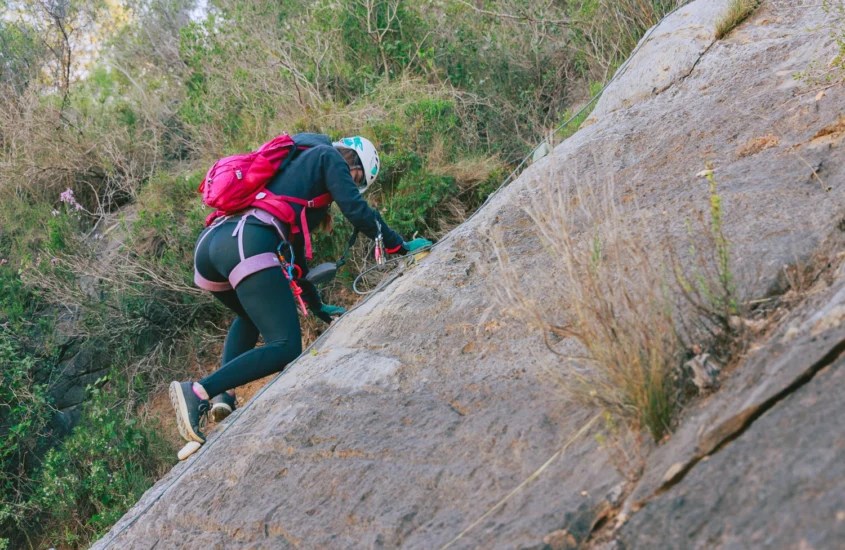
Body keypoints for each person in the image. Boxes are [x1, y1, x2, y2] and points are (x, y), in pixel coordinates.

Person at [169, 134, 432, 444]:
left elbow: (294, 261)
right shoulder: (328, 157)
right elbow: (357, 211)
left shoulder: (293, 171)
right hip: (246, 241)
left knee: (252, 318)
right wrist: (398, 246)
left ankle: (222, 397)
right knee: (285, 346)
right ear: (355, 163)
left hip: (213, 244)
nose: (353, 183)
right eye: (358, 177)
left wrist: (317, 306)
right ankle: (198, 391)